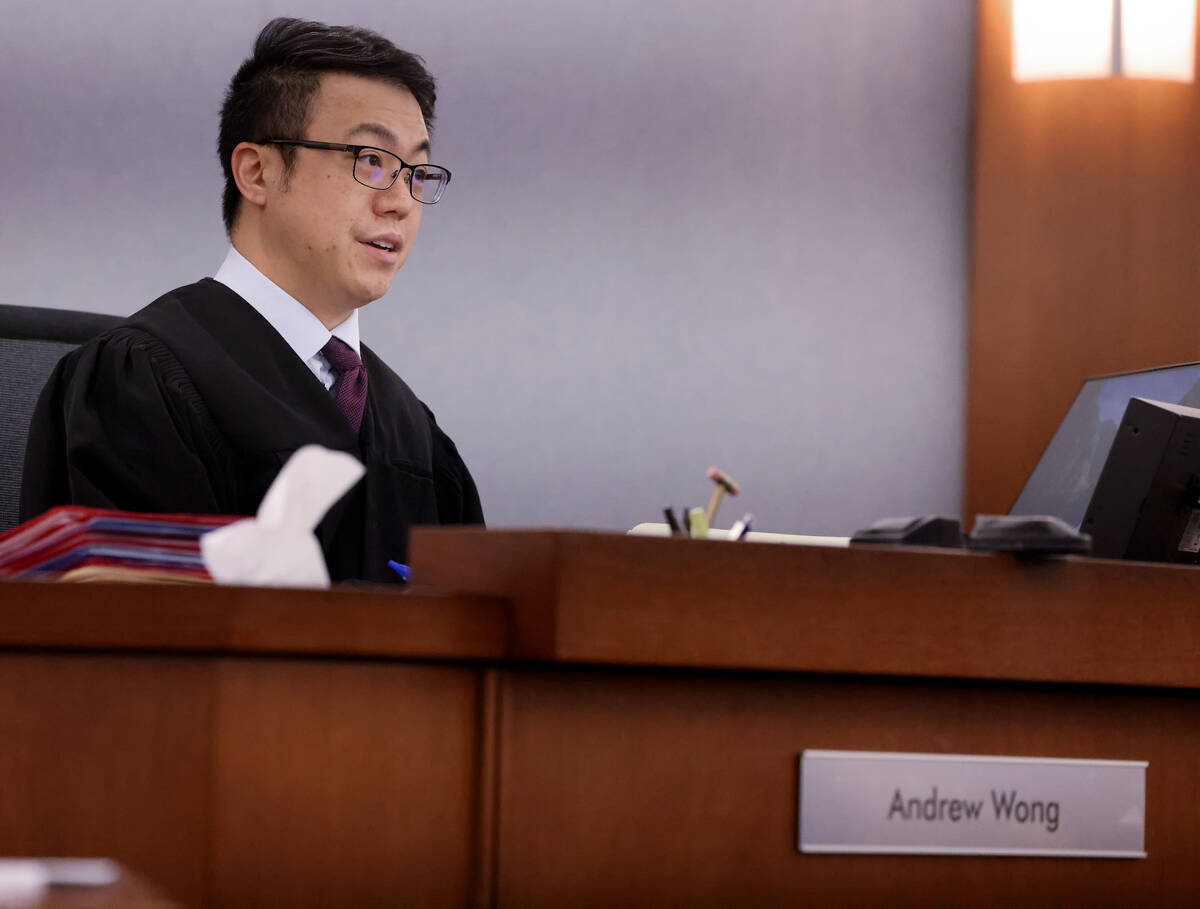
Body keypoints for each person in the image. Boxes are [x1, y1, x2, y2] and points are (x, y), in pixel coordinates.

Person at [19, 17, 483, 582]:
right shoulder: (139, 379)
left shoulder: (413, 430)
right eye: (370, 160)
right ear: (256, 172)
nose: (401, 203)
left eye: (415, 171)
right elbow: (124, 640)